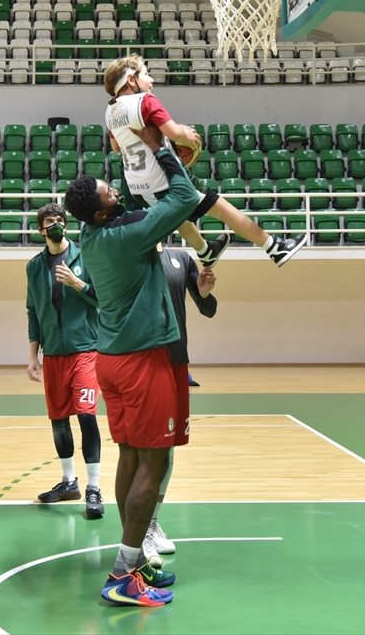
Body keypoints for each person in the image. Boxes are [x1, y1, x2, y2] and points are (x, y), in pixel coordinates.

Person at [63, 124, 194, 607]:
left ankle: (135, 561)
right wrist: (160, 150)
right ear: (102, 211)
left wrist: (131, 159)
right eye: (109, 192)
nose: (115, 191)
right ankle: (123, 573)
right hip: (142, 362)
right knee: (153, 463)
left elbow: (128, 207)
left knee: (130, 458)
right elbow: (184, 197)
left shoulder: (92, 231)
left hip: (111, 361)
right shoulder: (126, 236)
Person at [103, 53, 306, 268]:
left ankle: (205, 250)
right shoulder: (145, 100)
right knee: (223, 209)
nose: (151, 80)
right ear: (131, 80)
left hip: (138, 186)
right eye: (146, 74)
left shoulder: (110, 110)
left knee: (178, 214)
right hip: (164, 180)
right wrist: (187, 135)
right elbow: (176, 134)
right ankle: (274, 247)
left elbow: (116, 147)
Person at [25, 203, 105, 519]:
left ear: (66, 225)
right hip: (53, 355)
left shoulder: (87, 256)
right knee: (59, 419)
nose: (55, 224)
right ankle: (68, 481)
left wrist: (77, 283)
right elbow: (33, 311)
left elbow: (103, 297)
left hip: (85, 349)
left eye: (59, 220)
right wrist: (33, 355)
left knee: (86, 415)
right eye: (49, 221)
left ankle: (94, 487)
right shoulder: (34, 266)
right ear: (40, 230)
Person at [142, 243, 218, 566]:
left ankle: (152, 522)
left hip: (177, 361)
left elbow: (208, 308)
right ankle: (139, 529)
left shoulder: (181, 258)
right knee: (146, 450)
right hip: (145, 360)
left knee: (168, 450)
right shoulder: (133, 252)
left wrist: (203, 291)